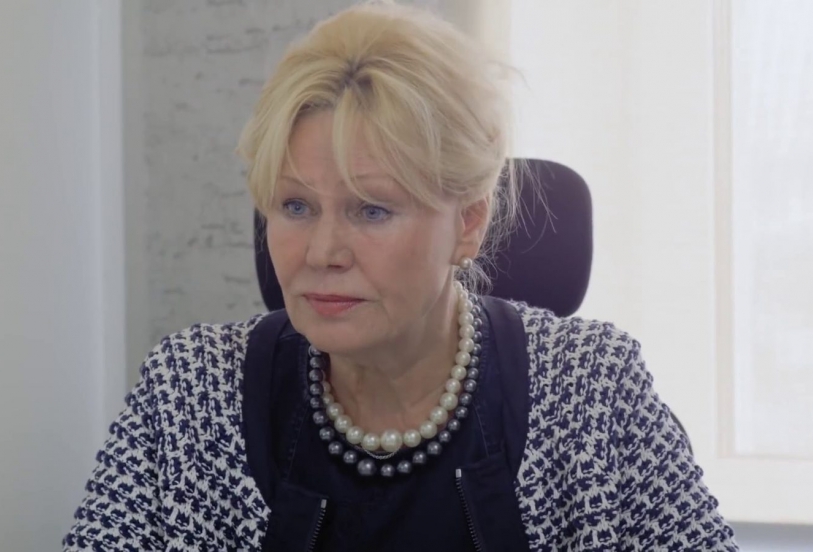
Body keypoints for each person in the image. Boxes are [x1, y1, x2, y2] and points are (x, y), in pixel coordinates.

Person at [63, 2, 738, 550]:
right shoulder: (187, 394)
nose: (322, 250)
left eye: (372, 209)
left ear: (468, 223)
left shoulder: (594, 390)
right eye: (295, 206)